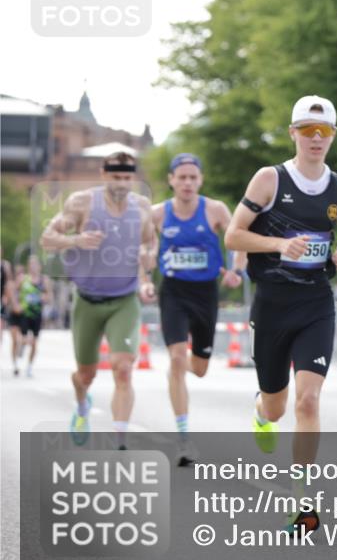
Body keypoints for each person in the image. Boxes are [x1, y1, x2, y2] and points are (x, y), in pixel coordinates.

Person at [225, 95, 337, 534]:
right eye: (307, 130)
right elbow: (233, 236)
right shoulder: (270, 179)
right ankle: (262, 410)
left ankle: (302, 500)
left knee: (309, 399)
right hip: (273, 302)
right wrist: (279, 245)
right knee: (279, 406)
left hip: (316, 303)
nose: (315, 139)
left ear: (333, 136)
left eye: (323, 132)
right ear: (293, 134)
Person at [40, 150, 157, 449]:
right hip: (88, 301)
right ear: (104, 175)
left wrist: (147, 271)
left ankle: (120, 440)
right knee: (85, 375)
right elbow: (47, 239)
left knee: (123, 367)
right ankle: (82, 407)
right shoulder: (82, 203)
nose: (121, 183)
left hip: (124, 300)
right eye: (116, 177)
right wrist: (75, 240)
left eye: (127, 177)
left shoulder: (142, 207)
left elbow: (149, 245)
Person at [153, 152, 246, 466]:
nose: (188, 183)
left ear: (200, 180)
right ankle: (183, 439)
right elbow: (140, 247)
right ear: (171, 180)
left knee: (200, 368)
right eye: (182, 177)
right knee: (177, 358)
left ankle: (180, 368)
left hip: (205, 293)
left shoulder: (215, 209)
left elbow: (238, 240)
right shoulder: (157, 214)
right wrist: (142, 277)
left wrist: (237, 270)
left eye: (193, 177)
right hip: (173, 292)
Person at [15, 254, 52, 378]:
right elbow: (13, 291)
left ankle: (30, 366)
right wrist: (16, 305)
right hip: (25, 312)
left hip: (37, 314)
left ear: (40, 267)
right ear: (28, 266)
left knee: (35, 343)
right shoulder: (23, 279)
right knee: (23, 338)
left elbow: (49, 297)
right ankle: (23, 346)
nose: (33, 267)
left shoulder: (44, 280)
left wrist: (43, 298)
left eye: (35, 264)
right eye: (31, 264)